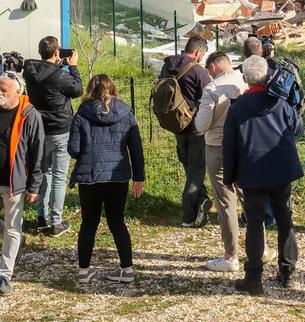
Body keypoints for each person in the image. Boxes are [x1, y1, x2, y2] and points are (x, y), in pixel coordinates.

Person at [223, 55, 303, 295]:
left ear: (246, 79)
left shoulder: (237, 108)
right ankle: (288, 272)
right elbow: (298, 128)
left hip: (252, 171)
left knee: (255, 223)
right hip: (281, 169)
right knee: (285, 219)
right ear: (268, 75)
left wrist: (229, 177)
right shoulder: (279, 103)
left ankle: (254, 277)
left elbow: (230, 146)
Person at [67, 74, 145, 284]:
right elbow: (136, 149)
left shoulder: (81, 114)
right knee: (117, 222)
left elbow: (73, 150)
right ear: (113, 88)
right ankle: (126, 269)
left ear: (90, 90)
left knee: (88, 223)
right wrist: (139, 177)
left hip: (89, 177)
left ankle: (84, 270)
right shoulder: (126, 113)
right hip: (118, 176)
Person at [23, 35, 83, 236]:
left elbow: (47, 76)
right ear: (57, 52)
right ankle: (56, 222)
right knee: (58, 175)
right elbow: (77, 90)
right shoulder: (59, 76)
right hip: (59, 130)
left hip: (39, 129)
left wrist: (57, 66)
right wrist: (73, 67)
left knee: (44, 171)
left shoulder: (30, 72)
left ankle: (41, 218)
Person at [194, 50, 246, 273]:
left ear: (213, 67)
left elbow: (201, 124)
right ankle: (260, 248)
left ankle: (231, 255)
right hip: (244, 146)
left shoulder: (212, 89)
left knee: (226, 202)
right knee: (250, 198)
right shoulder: (244, 82)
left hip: (218, 146)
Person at [159, 37, 211, 228]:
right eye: (203, 55)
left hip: (176, 124)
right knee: (196, 169)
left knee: (189, 166)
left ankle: (203, 201)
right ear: (198, 52)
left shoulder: (166, 66)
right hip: (195, 126)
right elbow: (208, 95)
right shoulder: (198, 70)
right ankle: (188, 215)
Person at [0, 71, 44, 295]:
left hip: (13, 182)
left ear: (17, 92)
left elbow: (38, 152)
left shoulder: (29, 115)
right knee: (9, 229)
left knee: (12, 228)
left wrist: (35, 185)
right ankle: (12, 237)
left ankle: (4, 275)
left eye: (3, 91)